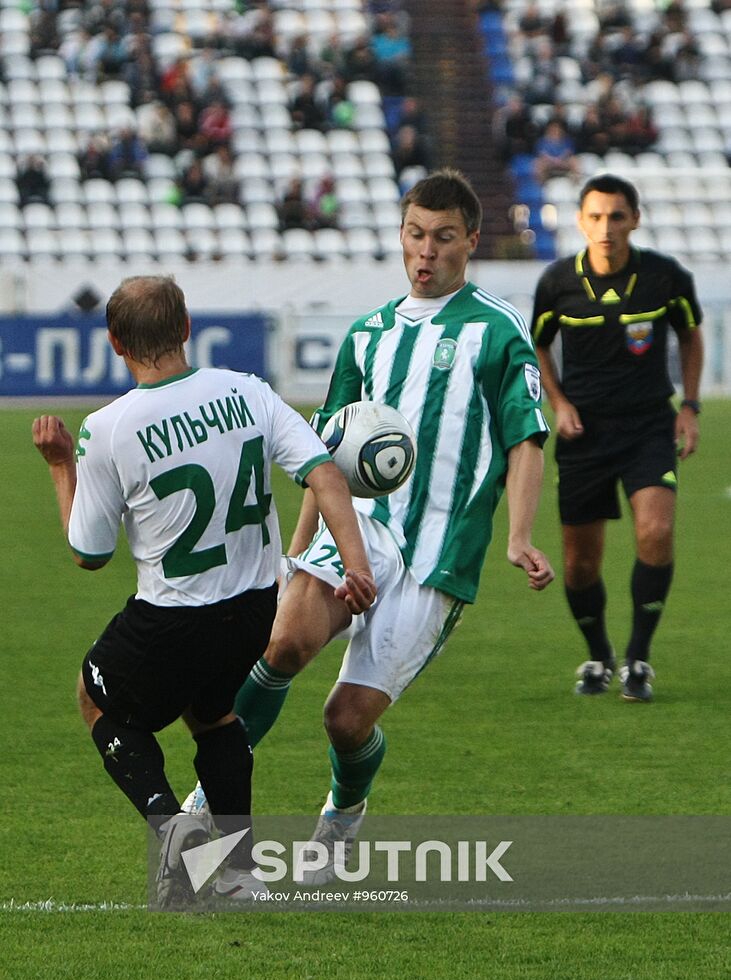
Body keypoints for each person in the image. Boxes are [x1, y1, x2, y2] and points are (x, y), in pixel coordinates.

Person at [184, 169, 555, 882]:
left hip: (438, 554)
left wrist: (516, 535)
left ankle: (342, 818)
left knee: (344, 721)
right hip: (359, 528)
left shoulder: (496, 331)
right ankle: (209, 803)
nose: (425, 252)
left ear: (470, 241)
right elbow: (322, 457)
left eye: (443, 238)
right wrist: (294, 554)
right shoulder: (368, 335)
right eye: (415, 235)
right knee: (283, 641)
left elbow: (525, 440)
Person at [32, 275, 375, 906]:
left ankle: (177, 839)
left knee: (95, 696)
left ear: (114, 343)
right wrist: (356, 566)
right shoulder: (247, 391)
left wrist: (60, 467)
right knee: (214, 717)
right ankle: (241, 870)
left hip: (172, 616)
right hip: (251, 609)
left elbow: (89, 553)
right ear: (187, 327)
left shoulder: (108, 427)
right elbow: (324, 471)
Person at [530, 174, 703, 701]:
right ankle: (599, 655)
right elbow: (537, 348)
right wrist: (558, 404)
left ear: (635, 219)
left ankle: (638, 659)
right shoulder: (557, 283)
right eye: (596, 217)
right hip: (585, 436)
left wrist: (690, 407)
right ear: (581, 221)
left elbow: (691, 336)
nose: (606, 228)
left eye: (617, 216)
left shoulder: (665, 277)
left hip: (650, 425)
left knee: (655, 532)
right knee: (581, 563)